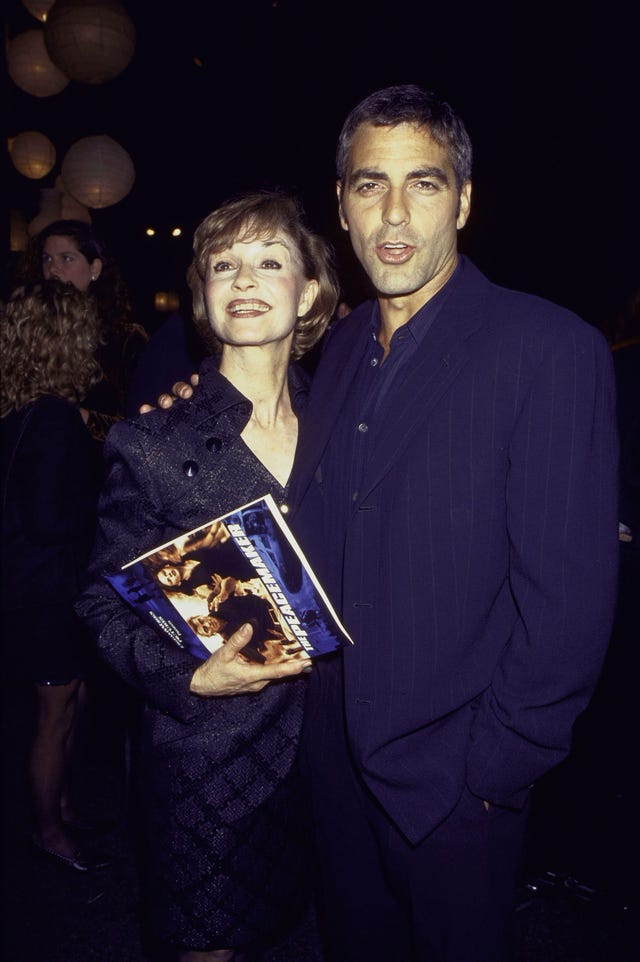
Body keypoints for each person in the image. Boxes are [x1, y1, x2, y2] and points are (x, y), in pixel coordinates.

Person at [160, 85, 620, 962]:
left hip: (455, 790)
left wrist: (492, 774)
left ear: (465, 200)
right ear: (342, 205)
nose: (396, 213)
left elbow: (568, 606)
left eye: (426, 182)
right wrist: (193, 409)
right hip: (331, 774)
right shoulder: (337, 351)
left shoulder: (548, 349)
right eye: (371, 185)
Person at [75, 191, 339, 962]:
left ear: (309, 293)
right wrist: (187, 678)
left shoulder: (348, 425)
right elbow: (98, 600)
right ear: (204, 296)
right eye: (224, 265)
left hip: (332, 750)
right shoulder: (153, 440)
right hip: (211, 758)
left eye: (270, 261)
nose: (245, 279)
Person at [0, 280, 106, 872]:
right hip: (44, 589)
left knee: (65, 703)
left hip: (27, 586)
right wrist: (101, 506)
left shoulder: (17, 412)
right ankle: (48, 829)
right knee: (55, 712)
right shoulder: (55, 418)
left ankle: (59, 807)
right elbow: (47, 520)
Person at [14, 219, 149, 443]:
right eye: (47, 259)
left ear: (94, 269)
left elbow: (145, 427)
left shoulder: (125, 339)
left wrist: (78, 417)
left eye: (66, 258)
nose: (53, 269)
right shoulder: (30, 331)